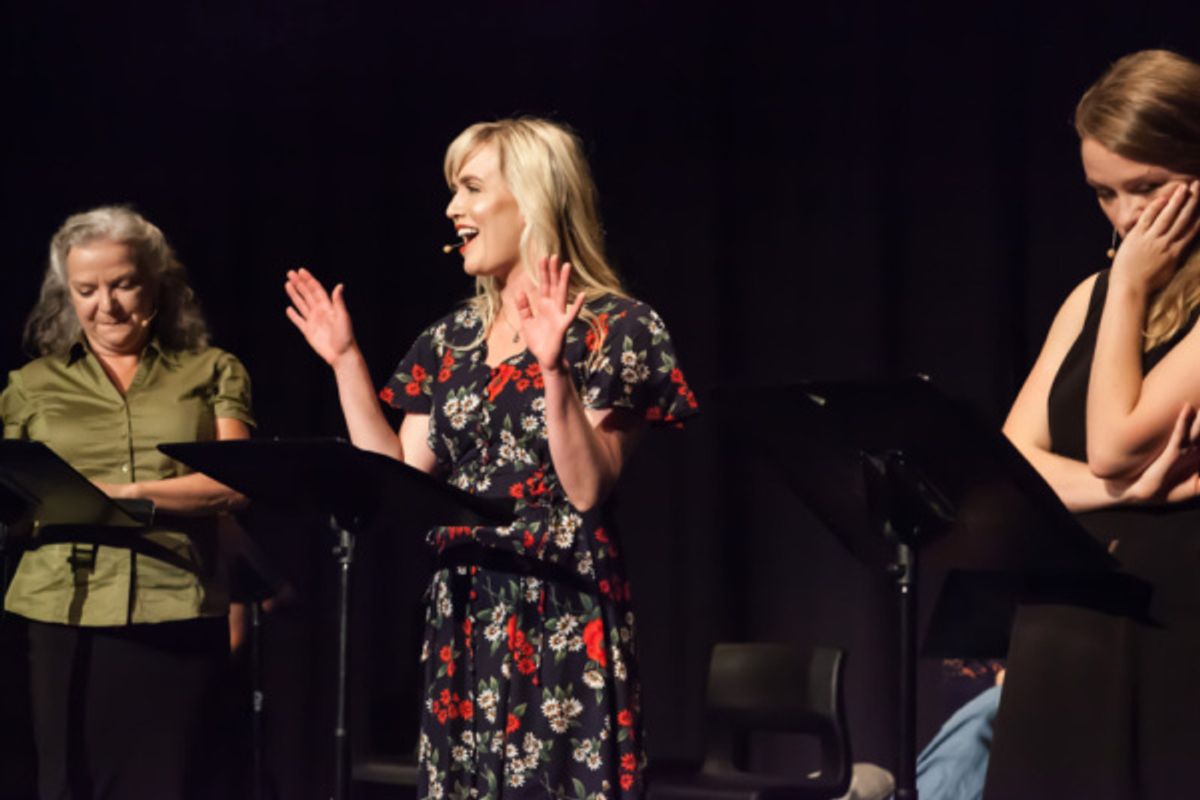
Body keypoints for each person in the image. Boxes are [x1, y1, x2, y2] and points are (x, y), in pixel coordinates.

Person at [285, 116, 697, 797]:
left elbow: (588, 488)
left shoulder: (619, 327)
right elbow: (398, 473)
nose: (453, 210)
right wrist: (345, 360)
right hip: (466, 606)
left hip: (559, 607)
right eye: (453, 191)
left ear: (532, 198)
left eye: (472, 188)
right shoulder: (454, 339)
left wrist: (554, 368)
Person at [985, 50, 1200, 800]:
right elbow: (1008, 462)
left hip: (1169, 619)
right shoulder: (1092, 296)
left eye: (1148, 187)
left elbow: (1114, 439)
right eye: (1105, 194)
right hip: (1065, 610)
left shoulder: (1124, 292)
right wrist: (1129, 490)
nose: (1127, 217)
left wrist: (1133, 286)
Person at [0, 206, 254, 799]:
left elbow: (232, 482)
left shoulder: (212, 369)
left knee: (168, 781)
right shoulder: (30, 384)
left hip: (175, 603)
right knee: (65, 783)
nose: (105, 306)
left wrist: (123, 495)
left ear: (157, 283)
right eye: (86, 290)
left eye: (123, 284)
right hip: (60, 607)